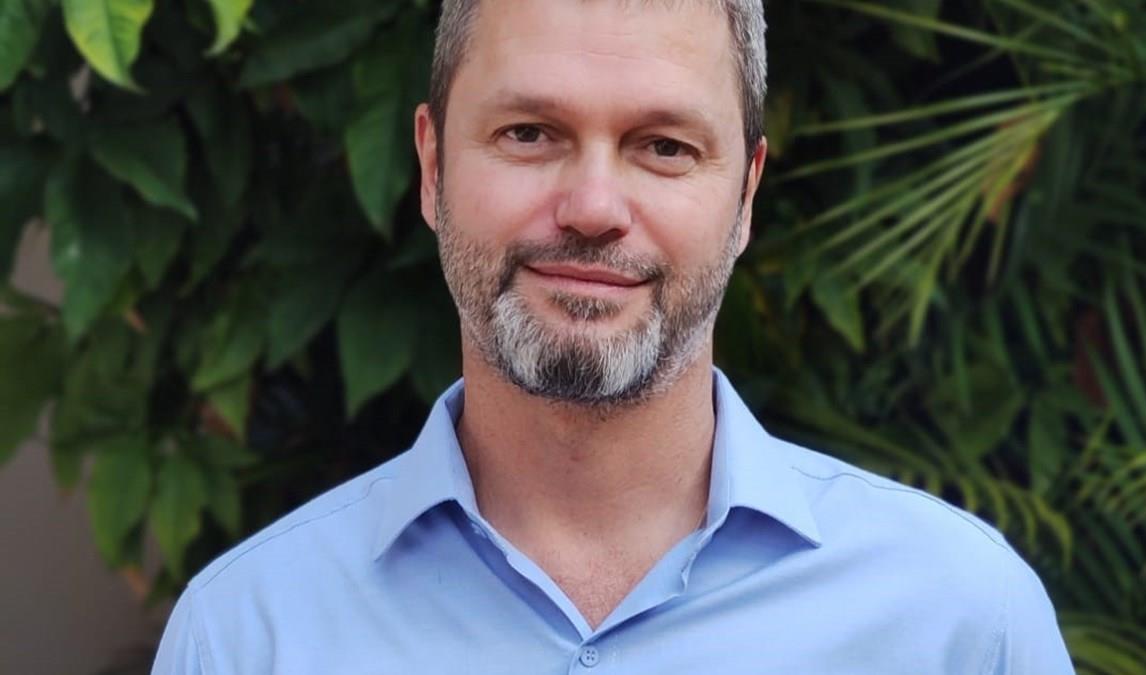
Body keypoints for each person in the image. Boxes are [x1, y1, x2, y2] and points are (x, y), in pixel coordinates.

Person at [151, 0, 1075, 672]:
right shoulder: (246, 636)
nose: (593, 207)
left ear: (746, 195)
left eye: (665, 147)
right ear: (431, 167)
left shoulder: (961, 625)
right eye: (529, 133)